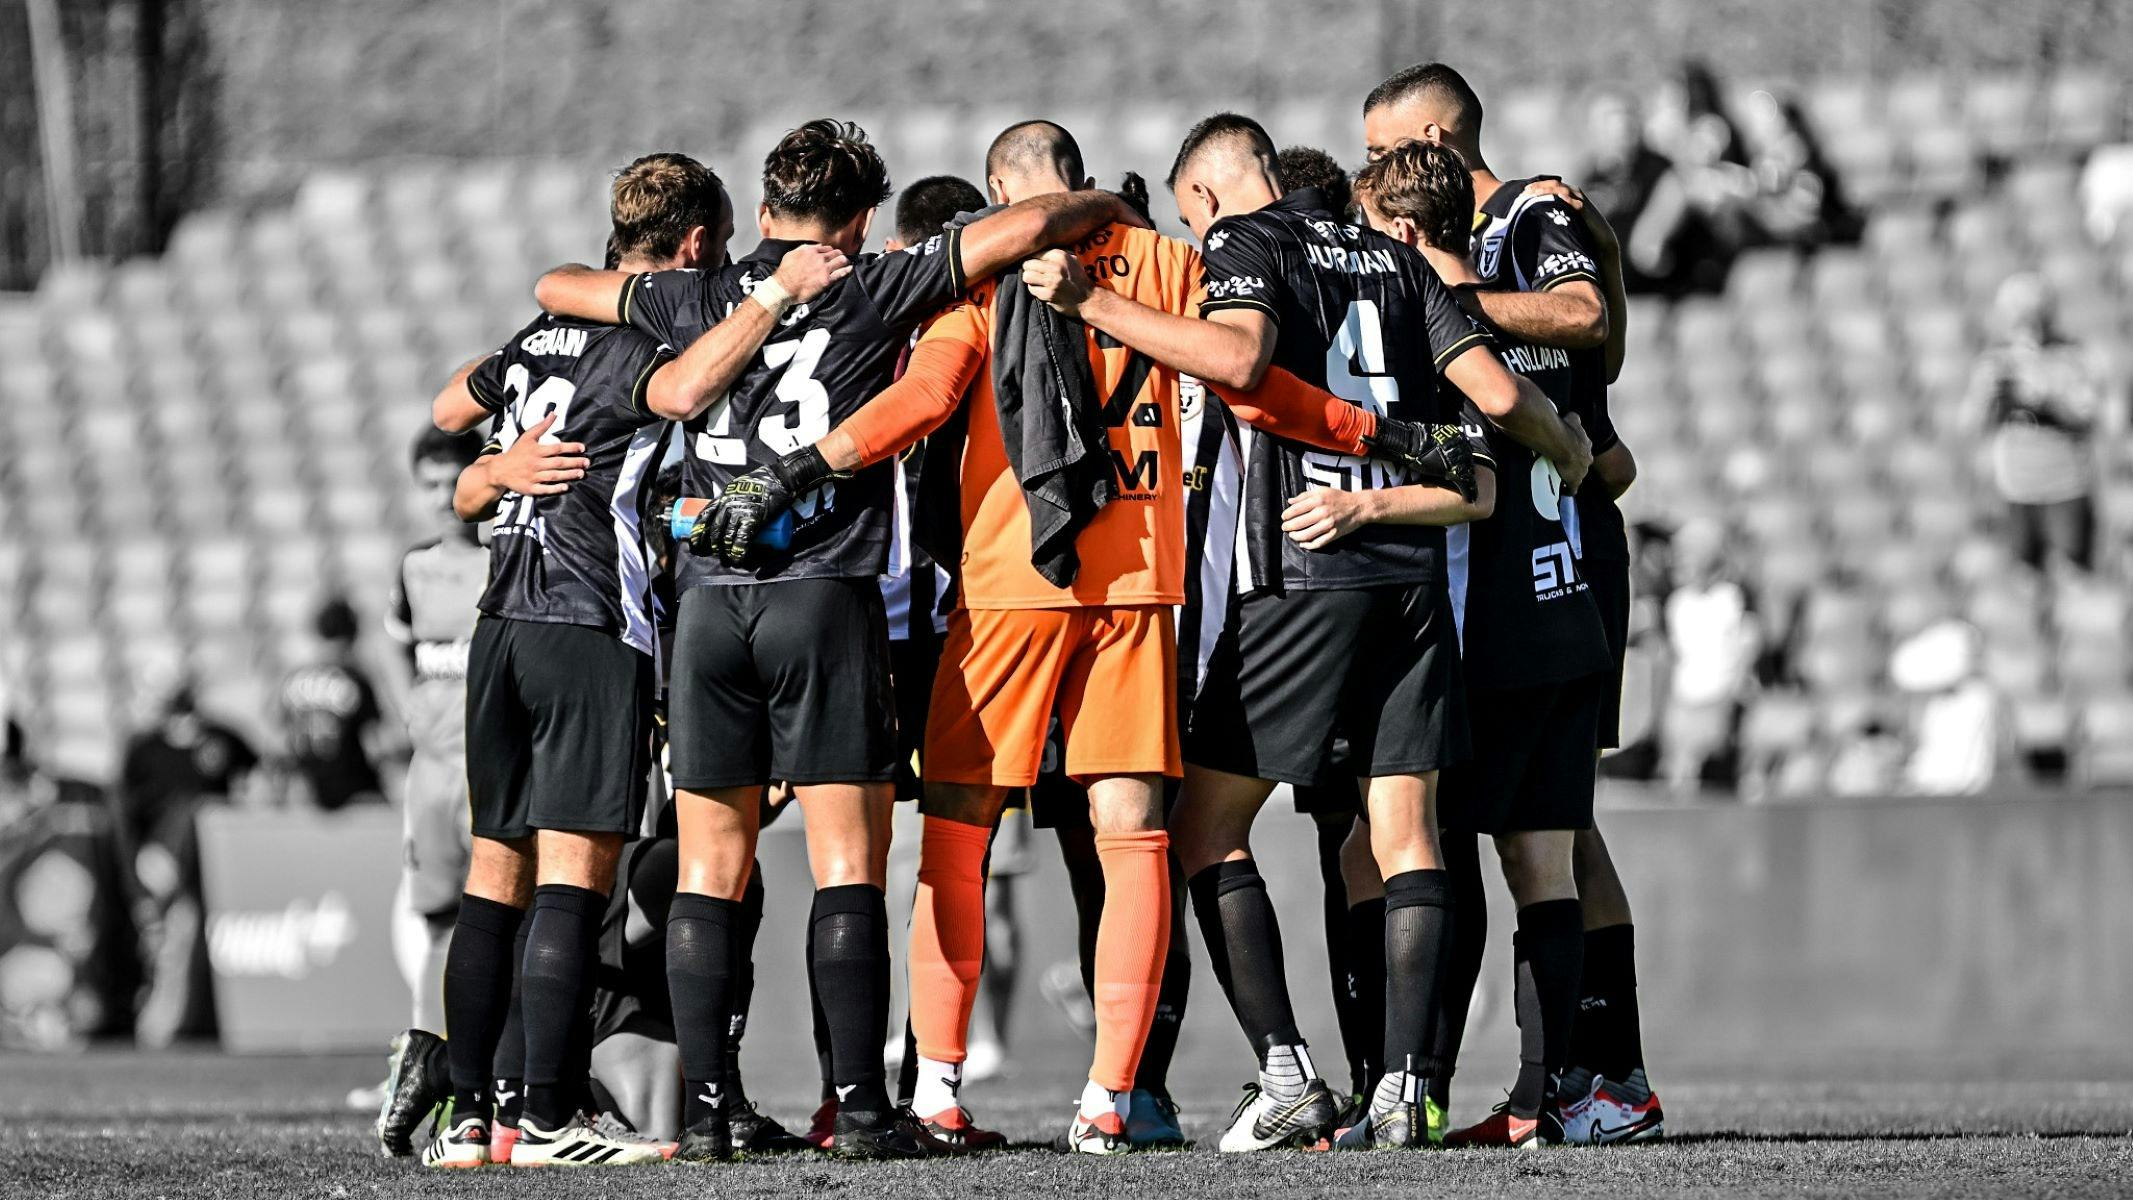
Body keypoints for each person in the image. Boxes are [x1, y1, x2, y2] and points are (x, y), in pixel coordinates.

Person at [693, 117, 1473, 1153]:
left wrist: (802, 469)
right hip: (1138, 586)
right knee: (1134, 834)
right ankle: (1112, 1098)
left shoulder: (989, 269)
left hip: (1009, 584)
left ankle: (935, 1086)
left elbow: (921, 401)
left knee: (959, 839)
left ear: (1001, 188)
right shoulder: (1170, 261)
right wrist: (1375, 435)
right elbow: (1254, 387)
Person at [531, 119, 1146, 1160]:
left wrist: (748, 295)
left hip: (710, 605)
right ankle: (860, 1109)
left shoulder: (697, 293)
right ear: (860, 220)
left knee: (707, 872)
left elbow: (558, 287)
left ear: (765, 212)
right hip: (823, 594)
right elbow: (1037, 222)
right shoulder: (877, 282)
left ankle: (709, 1111)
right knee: (848, 866)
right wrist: (1108, 210)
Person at [1015, 112, 1587, 1152]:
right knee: (1405, 834)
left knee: (1202, 828)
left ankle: (1284, 1071)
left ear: (1202, 196)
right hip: (1410, 576)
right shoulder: (1391, 254)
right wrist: (1570, 448)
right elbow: (1496, 395)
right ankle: (1407, 1091)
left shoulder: (1250, 241)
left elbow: (1236, 362)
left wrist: (1096, 300)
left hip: (1303, 566)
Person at [420, 150, 849, 1169]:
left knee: (496, 874)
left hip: (500, 625)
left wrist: (494, 466)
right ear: (697, 244)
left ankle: (467, 1117)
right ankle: (542, 1116)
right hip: (586, 621)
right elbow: (688, 387)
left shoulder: (539, 332)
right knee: (575, 875)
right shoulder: (639, 336)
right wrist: (776, 295)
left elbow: (445, 411)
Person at [1363, 61, 1664, 1144]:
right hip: (1549, 560)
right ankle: (1585, 1078)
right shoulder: (1483, 240)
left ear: (1436, 139)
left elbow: (1582, 317)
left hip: (1549, 573)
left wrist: (1439, 308)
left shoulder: (1532, 209)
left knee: (1552, 832)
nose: (1374, 172)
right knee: (1546, 832)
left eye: (1386, 150)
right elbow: (1604, 407)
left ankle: (1595, 1073)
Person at [373, 424, 488, 1157]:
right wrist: (403, 707)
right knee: (441, 922)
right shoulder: (414, 568)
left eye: (453, 480)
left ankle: (484, 1080)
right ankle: (425, 1064)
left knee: (498, 921)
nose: (443, 498)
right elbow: (395, 642)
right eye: (428, 484)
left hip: (496, 768)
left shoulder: (508, 556)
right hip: (433, 773)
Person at [1962, 273, 2111, 574]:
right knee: (2024, 575)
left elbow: (2091, 417)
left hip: (2065, 484)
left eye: (2028, 314)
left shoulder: (2072, 356)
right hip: (2016, 486)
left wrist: (2046, 398)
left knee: (2073, 573)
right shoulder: (1995, 361)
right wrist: (1986, 397)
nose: (2023, 324)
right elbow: (1969, 425)